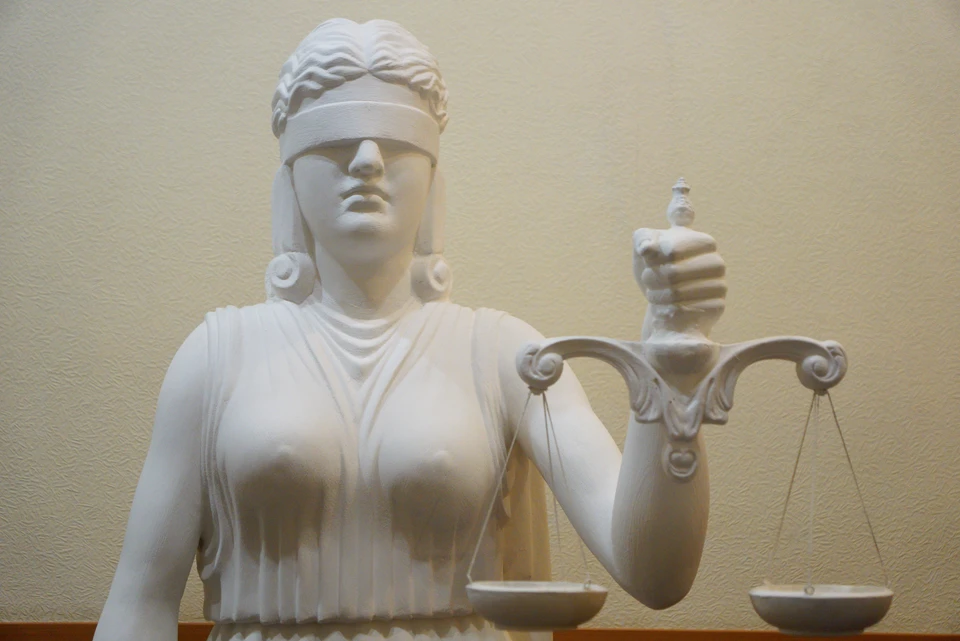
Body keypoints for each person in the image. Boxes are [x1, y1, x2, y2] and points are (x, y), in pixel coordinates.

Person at [94, 18, 727, 641]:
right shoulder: (216, 357)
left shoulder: (505, 354)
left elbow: (654, 572)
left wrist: (673, 361)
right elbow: (139, 602)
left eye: (396, 144)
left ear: (431, 176)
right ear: (290, 175)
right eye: (335, 142)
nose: (367, 161)